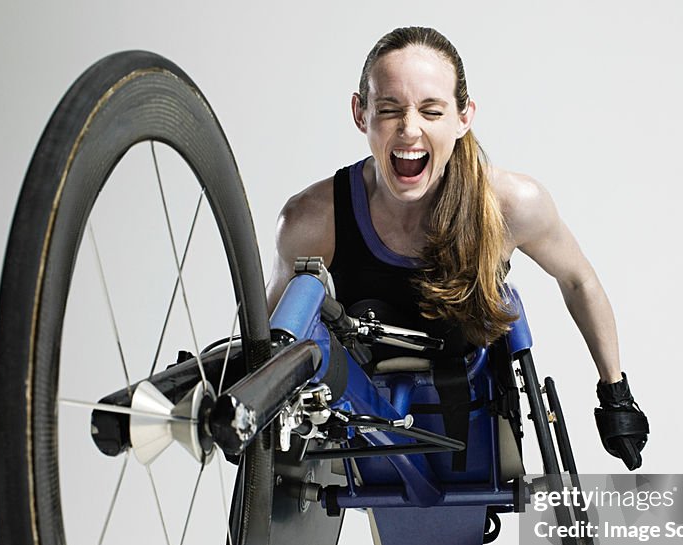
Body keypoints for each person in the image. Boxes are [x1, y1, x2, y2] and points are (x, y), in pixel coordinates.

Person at [267, 26, 649, 469]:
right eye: (389, 109)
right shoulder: (312, 218)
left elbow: (578, 279)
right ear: (360, 113)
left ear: (463, 116)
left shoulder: (511, 204)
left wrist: (615, 392)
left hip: (470, 403)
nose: (410, 129)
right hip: (360, 405)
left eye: (431, 111)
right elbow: (273, 336)